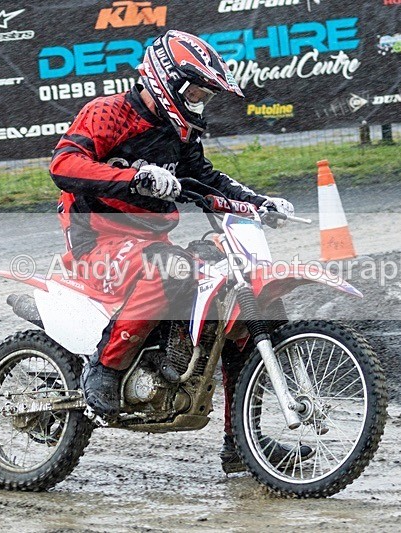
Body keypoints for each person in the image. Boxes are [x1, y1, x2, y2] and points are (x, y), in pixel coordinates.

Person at [49, 30, 311, 473]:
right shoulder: (108, 113)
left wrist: (259, 204)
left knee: (233, 301)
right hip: (96, 242)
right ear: (165, 80)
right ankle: (105, 370)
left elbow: (209, 181)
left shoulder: (179, 136)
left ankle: (241, 444)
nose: (197, 101)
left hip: (150, 242)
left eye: (203, 95)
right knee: (170, 268)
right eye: (193, 91)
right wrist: (135, 178)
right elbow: (63, 164)